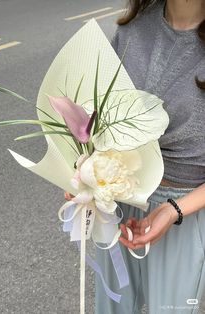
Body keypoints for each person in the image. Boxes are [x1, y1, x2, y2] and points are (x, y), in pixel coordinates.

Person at [94, 0, 205, 313]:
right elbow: (101, 121)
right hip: (118, 200)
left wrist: (174, 210)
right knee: (111, 308)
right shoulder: (132, 29)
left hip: (185, 208)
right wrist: (85, 179)